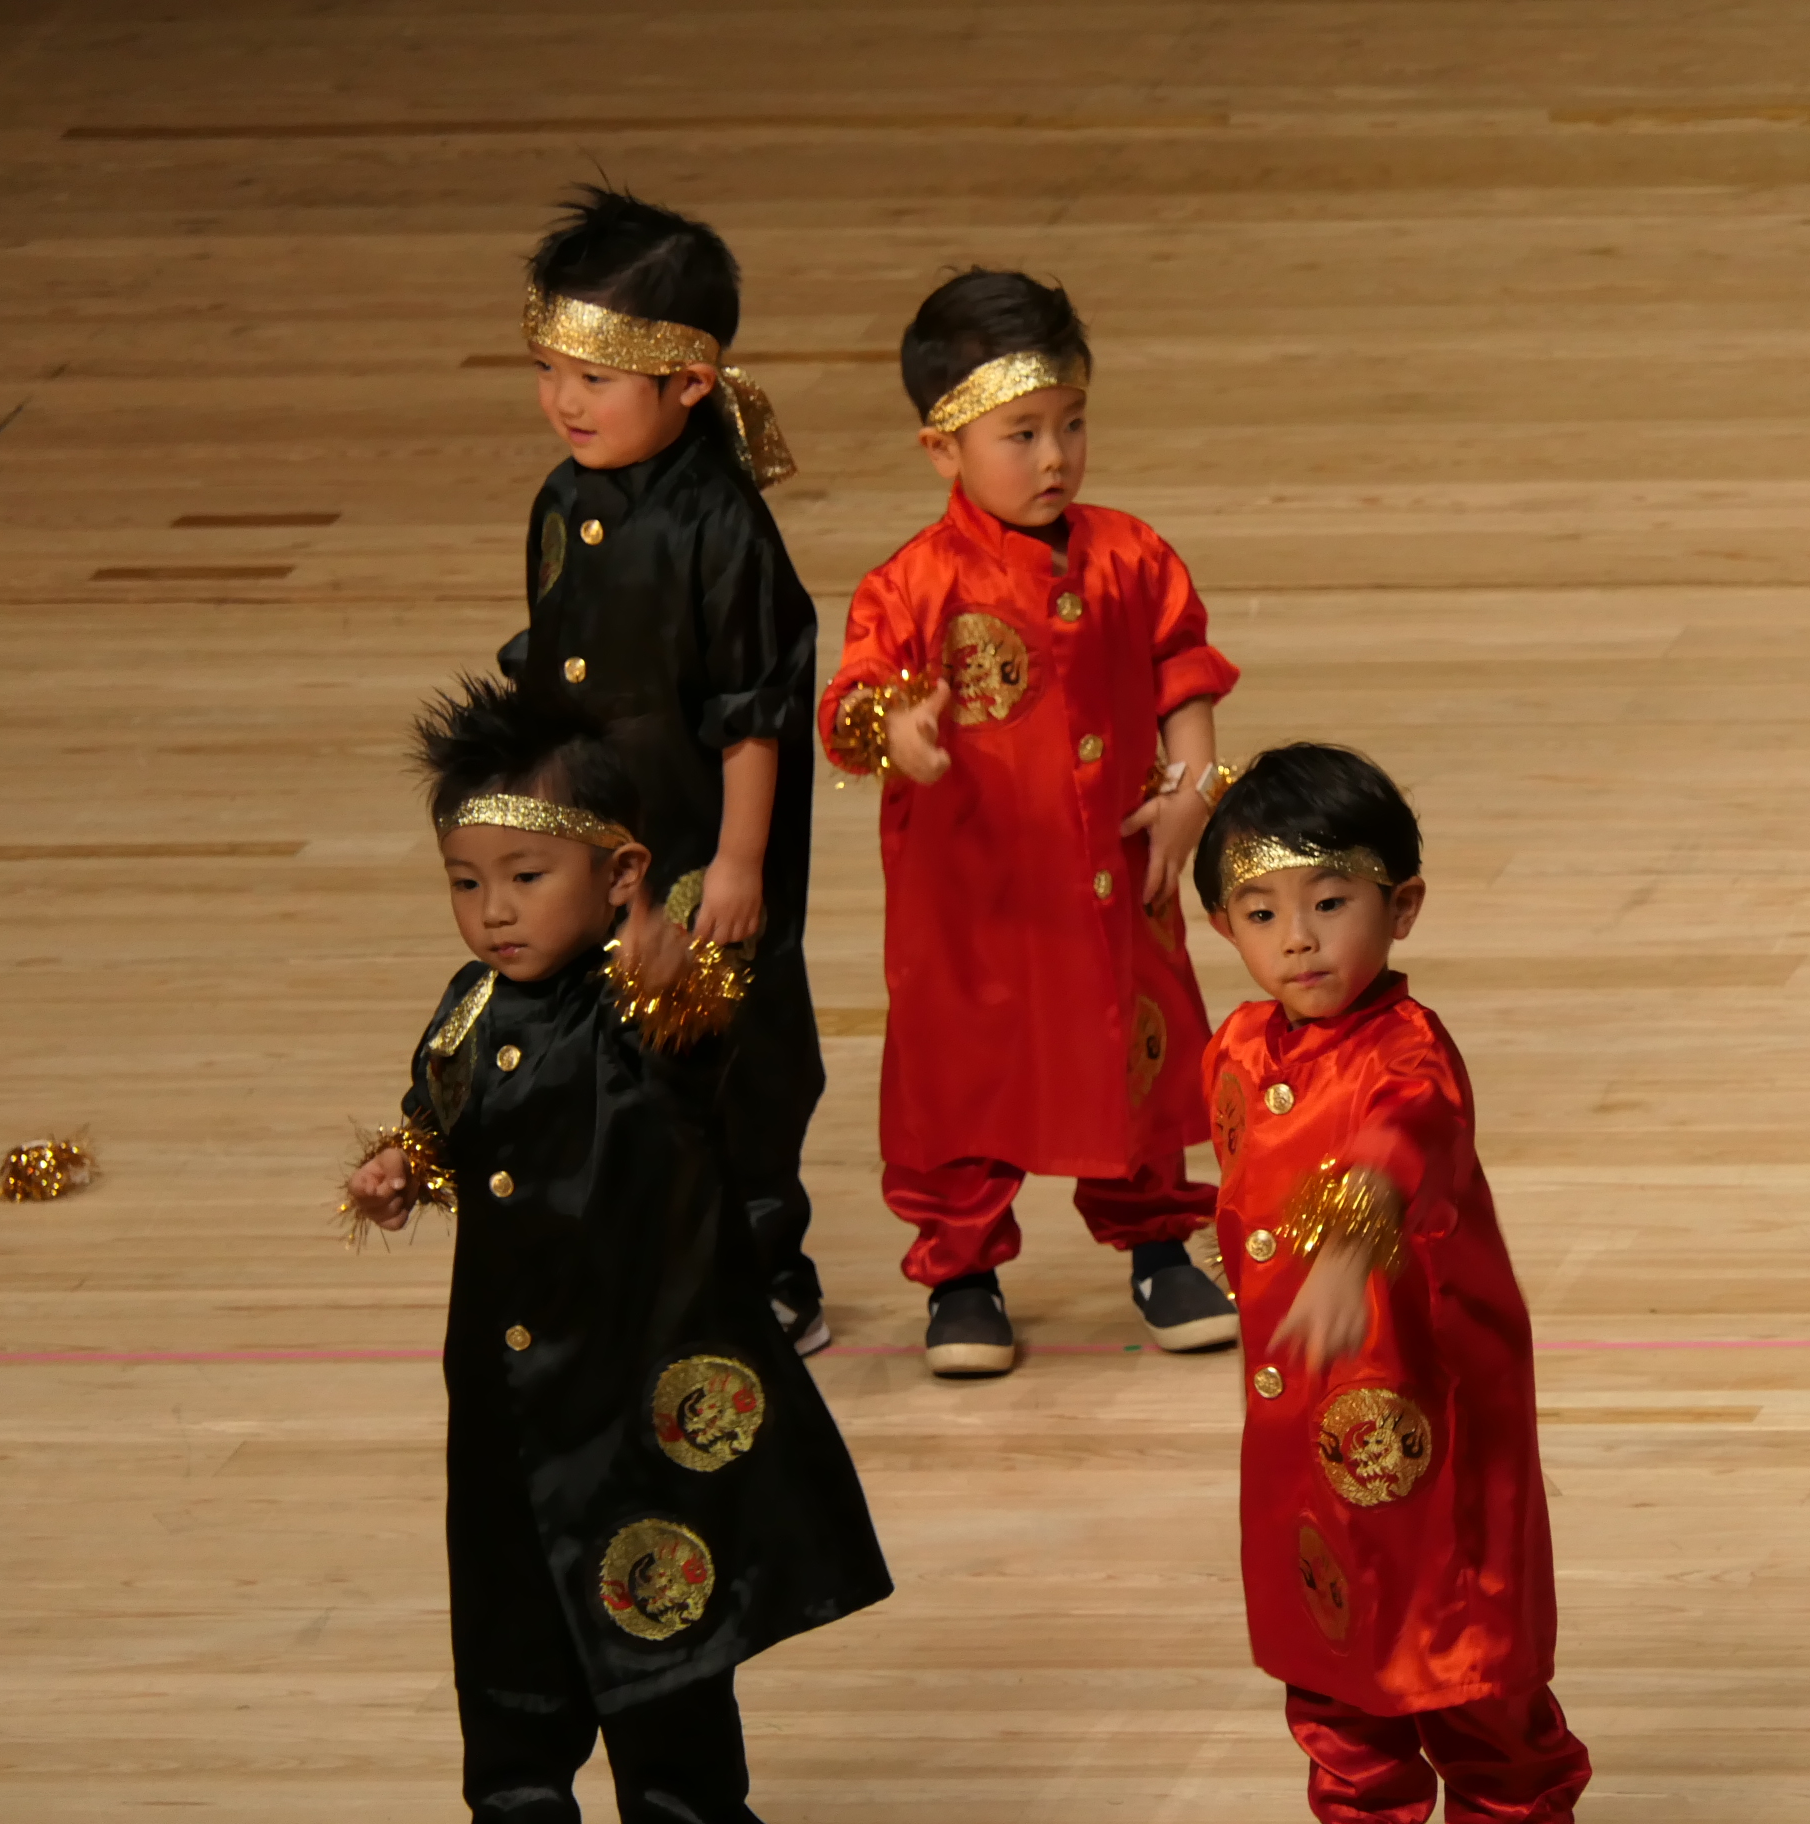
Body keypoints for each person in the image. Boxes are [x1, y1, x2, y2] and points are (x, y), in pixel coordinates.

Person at [342, 678, 890, 1824]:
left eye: (526, 878)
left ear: (620, 874)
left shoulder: (643, 1010)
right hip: (505, 1407)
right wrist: (402, 1167)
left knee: (661, 1625)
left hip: (634, 1402)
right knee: (507, 1617)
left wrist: (669, 972)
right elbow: (442, 1120)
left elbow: (695, 1051)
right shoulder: (469, 1006)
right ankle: (517, 1796)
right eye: (466, 883)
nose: (494, 912)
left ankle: (685, 1807)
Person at [817, 268, 1240, 1376]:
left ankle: (1158, 1244)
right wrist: (900, 734)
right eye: (1022, 435)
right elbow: (854, 704)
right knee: (962, 1068)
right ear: (943, 448)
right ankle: (961, 1272)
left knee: (1132, 1047)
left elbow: (1182, 672)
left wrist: (1191, 791)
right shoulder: (911, 587)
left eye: (1072, 425)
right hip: (973, 901)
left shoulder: (1132, 556)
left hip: (1112, 876)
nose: (1056, 456)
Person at [1192, 743, 1591, 1822]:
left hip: (1430, 1433)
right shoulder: (1237, 1052)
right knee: (1335, 1694)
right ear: (1224, 928)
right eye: (1262, 913)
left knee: (1472, 1685)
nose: (1299, 938)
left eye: (1330, 902)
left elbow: (1401, 1141)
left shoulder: (1408, 1056)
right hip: (1298, 1448)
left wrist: (1350, 1242)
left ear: (1401, 906)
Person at [499, 186, 834, 1354]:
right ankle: (637, 1256)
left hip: (699, 841)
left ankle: (763, 1263)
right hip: (599, 839)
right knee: (600, 1042)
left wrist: (739, 862)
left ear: (689, 383)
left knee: (731, 1048)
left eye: (594, 379)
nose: (564, 401)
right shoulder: (560, 502)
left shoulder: (720, 528)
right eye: (549, 372)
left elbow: (753, 713)